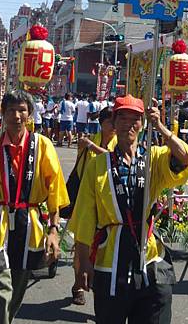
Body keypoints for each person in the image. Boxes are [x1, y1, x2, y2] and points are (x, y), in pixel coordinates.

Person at [70, 94, 188, 324]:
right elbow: (85, 215)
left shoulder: (153, 158)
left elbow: (184, 159)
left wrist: (161, 128)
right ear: (114, 123)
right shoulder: (98, 165)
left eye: (135, 118)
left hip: (150, 258)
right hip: (110, 261)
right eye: (123, 118)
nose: (129, 124)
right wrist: (84, 264)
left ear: (142, 123)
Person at [0, 90, 69, 324]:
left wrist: (53, 230)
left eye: (22, 110)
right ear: (2, 114)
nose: (16, 116)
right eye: (11, 110)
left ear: (30, 115)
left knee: (17, 290)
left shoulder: (43, 146)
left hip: (28, 224)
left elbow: (54, 191)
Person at [70, 106, 118, 306]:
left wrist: (90, 147)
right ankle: (78, 285)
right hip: (88, 199)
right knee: (82, 243)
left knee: (104, 248)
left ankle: (102, 288)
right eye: (110, 122)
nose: (114, 127)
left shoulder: (118, 142)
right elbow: (80, 168)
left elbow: (112, 158)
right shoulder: (91, 140)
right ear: (102, 124)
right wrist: (84, 148)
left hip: (110, 202)